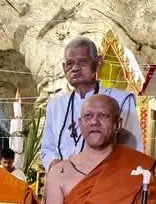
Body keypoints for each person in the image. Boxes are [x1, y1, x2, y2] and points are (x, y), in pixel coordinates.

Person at [40, 36, 143, 171]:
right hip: (63, 180)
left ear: (98, 62)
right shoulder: (56, 105)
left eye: (82, 62)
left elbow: (132, 148)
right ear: (64, 68)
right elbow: (48, 148)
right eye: (70, 64)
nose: (75, 68)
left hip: (105, 180)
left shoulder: (120, 99)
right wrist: (57, 167)